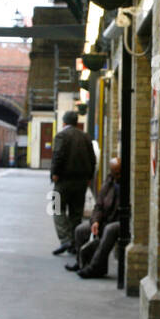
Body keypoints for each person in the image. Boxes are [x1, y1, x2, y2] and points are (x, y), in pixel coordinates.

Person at [49, 110, 95, 256]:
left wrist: (54, 173)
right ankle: (75, 244)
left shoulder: (61, 135)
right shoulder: (86, 137)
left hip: (63, 180)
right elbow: (92, 159)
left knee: (56, 208)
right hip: (81, 182)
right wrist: (90, 177)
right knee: (76, 214)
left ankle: (65, 240)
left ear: (64, 122)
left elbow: (58, 155)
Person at [66, 156, 121, 278]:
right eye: (114, 173)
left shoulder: (125, 184)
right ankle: (81, 262)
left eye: (119, 173)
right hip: (105, 219)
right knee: (80, 230)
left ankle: (95, 267)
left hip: (120, 221)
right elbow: (99, 205)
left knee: (110, 230)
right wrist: (95, 221)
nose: (117, 176)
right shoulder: (109, 182)